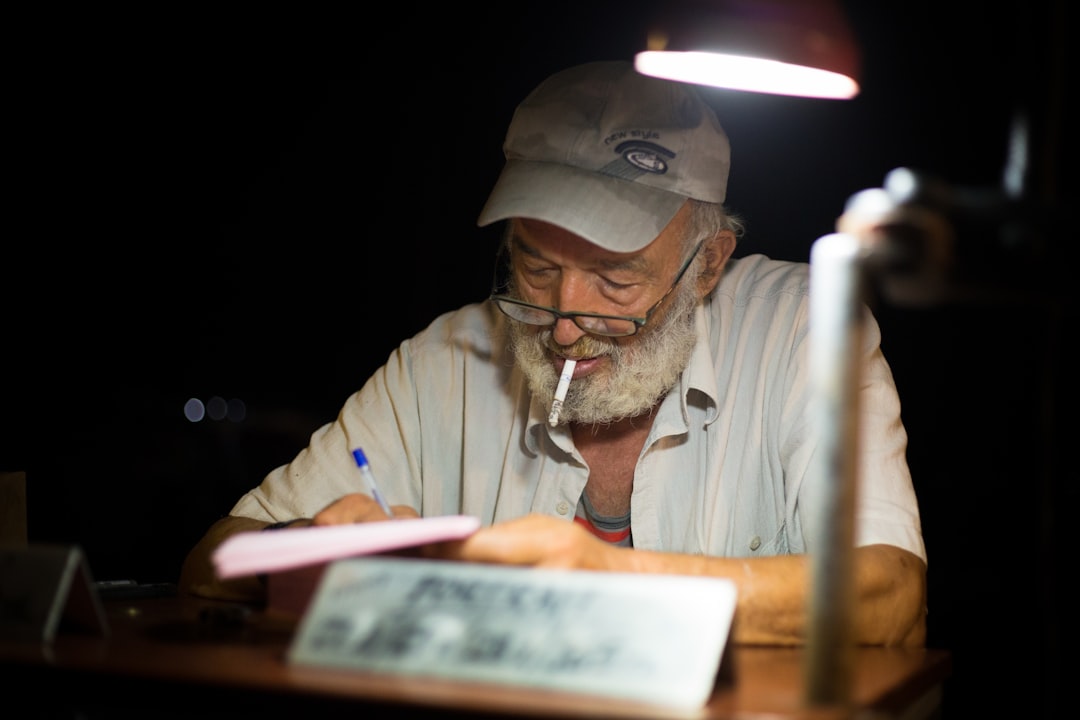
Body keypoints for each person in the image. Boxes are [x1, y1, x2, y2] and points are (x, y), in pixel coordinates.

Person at [180, 60, 927, 647]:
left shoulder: (801, 329)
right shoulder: (446, 359)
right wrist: (312, 548)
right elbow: (210, 564)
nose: (565, 327)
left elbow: (889, 599)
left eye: (614, 278)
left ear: (707, 264)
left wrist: (615, 581)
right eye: (537, 267)